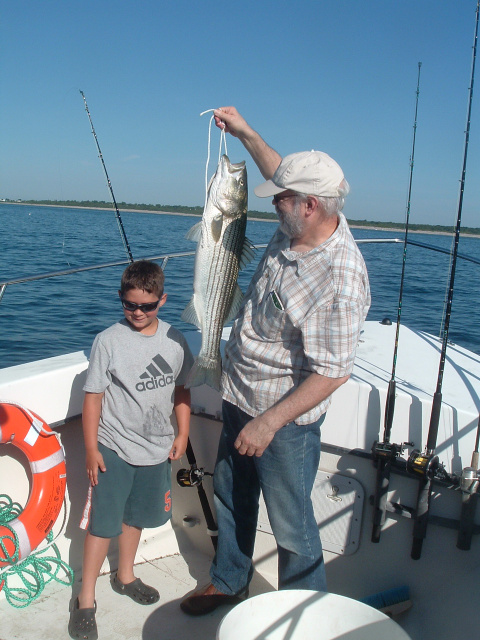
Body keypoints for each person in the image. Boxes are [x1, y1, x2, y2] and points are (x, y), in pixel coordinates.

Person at [180, 107, 371, 616]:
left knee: (292, 525)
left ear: (310, 205)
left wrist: (267, 423)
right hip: (240, 394)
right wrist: (243, 132)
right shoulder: (299, 222)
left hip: (282, 422)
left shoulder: (339, 275)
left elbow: (333, 371)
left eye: (281, 200)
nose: (273, 205)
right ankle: (228, 580)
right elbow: (277, 171)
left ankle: (303, 616)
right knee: (230, 495)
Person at [69, 260, 194, 640]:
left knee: (136, 517)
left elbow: (182, 390)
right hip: (114, 448)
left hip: (156, 451)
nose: (138, 313)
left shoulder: (175, 341)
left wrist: (183, 434)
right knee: (103, 524)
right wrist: (92, 450)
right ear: (121, 300)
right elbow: (93, 399)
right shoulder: (108, 340)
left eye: (147, 306)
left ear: (162, 301)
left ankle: (125, 576)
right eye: (129, 305)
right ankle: (85, 600)